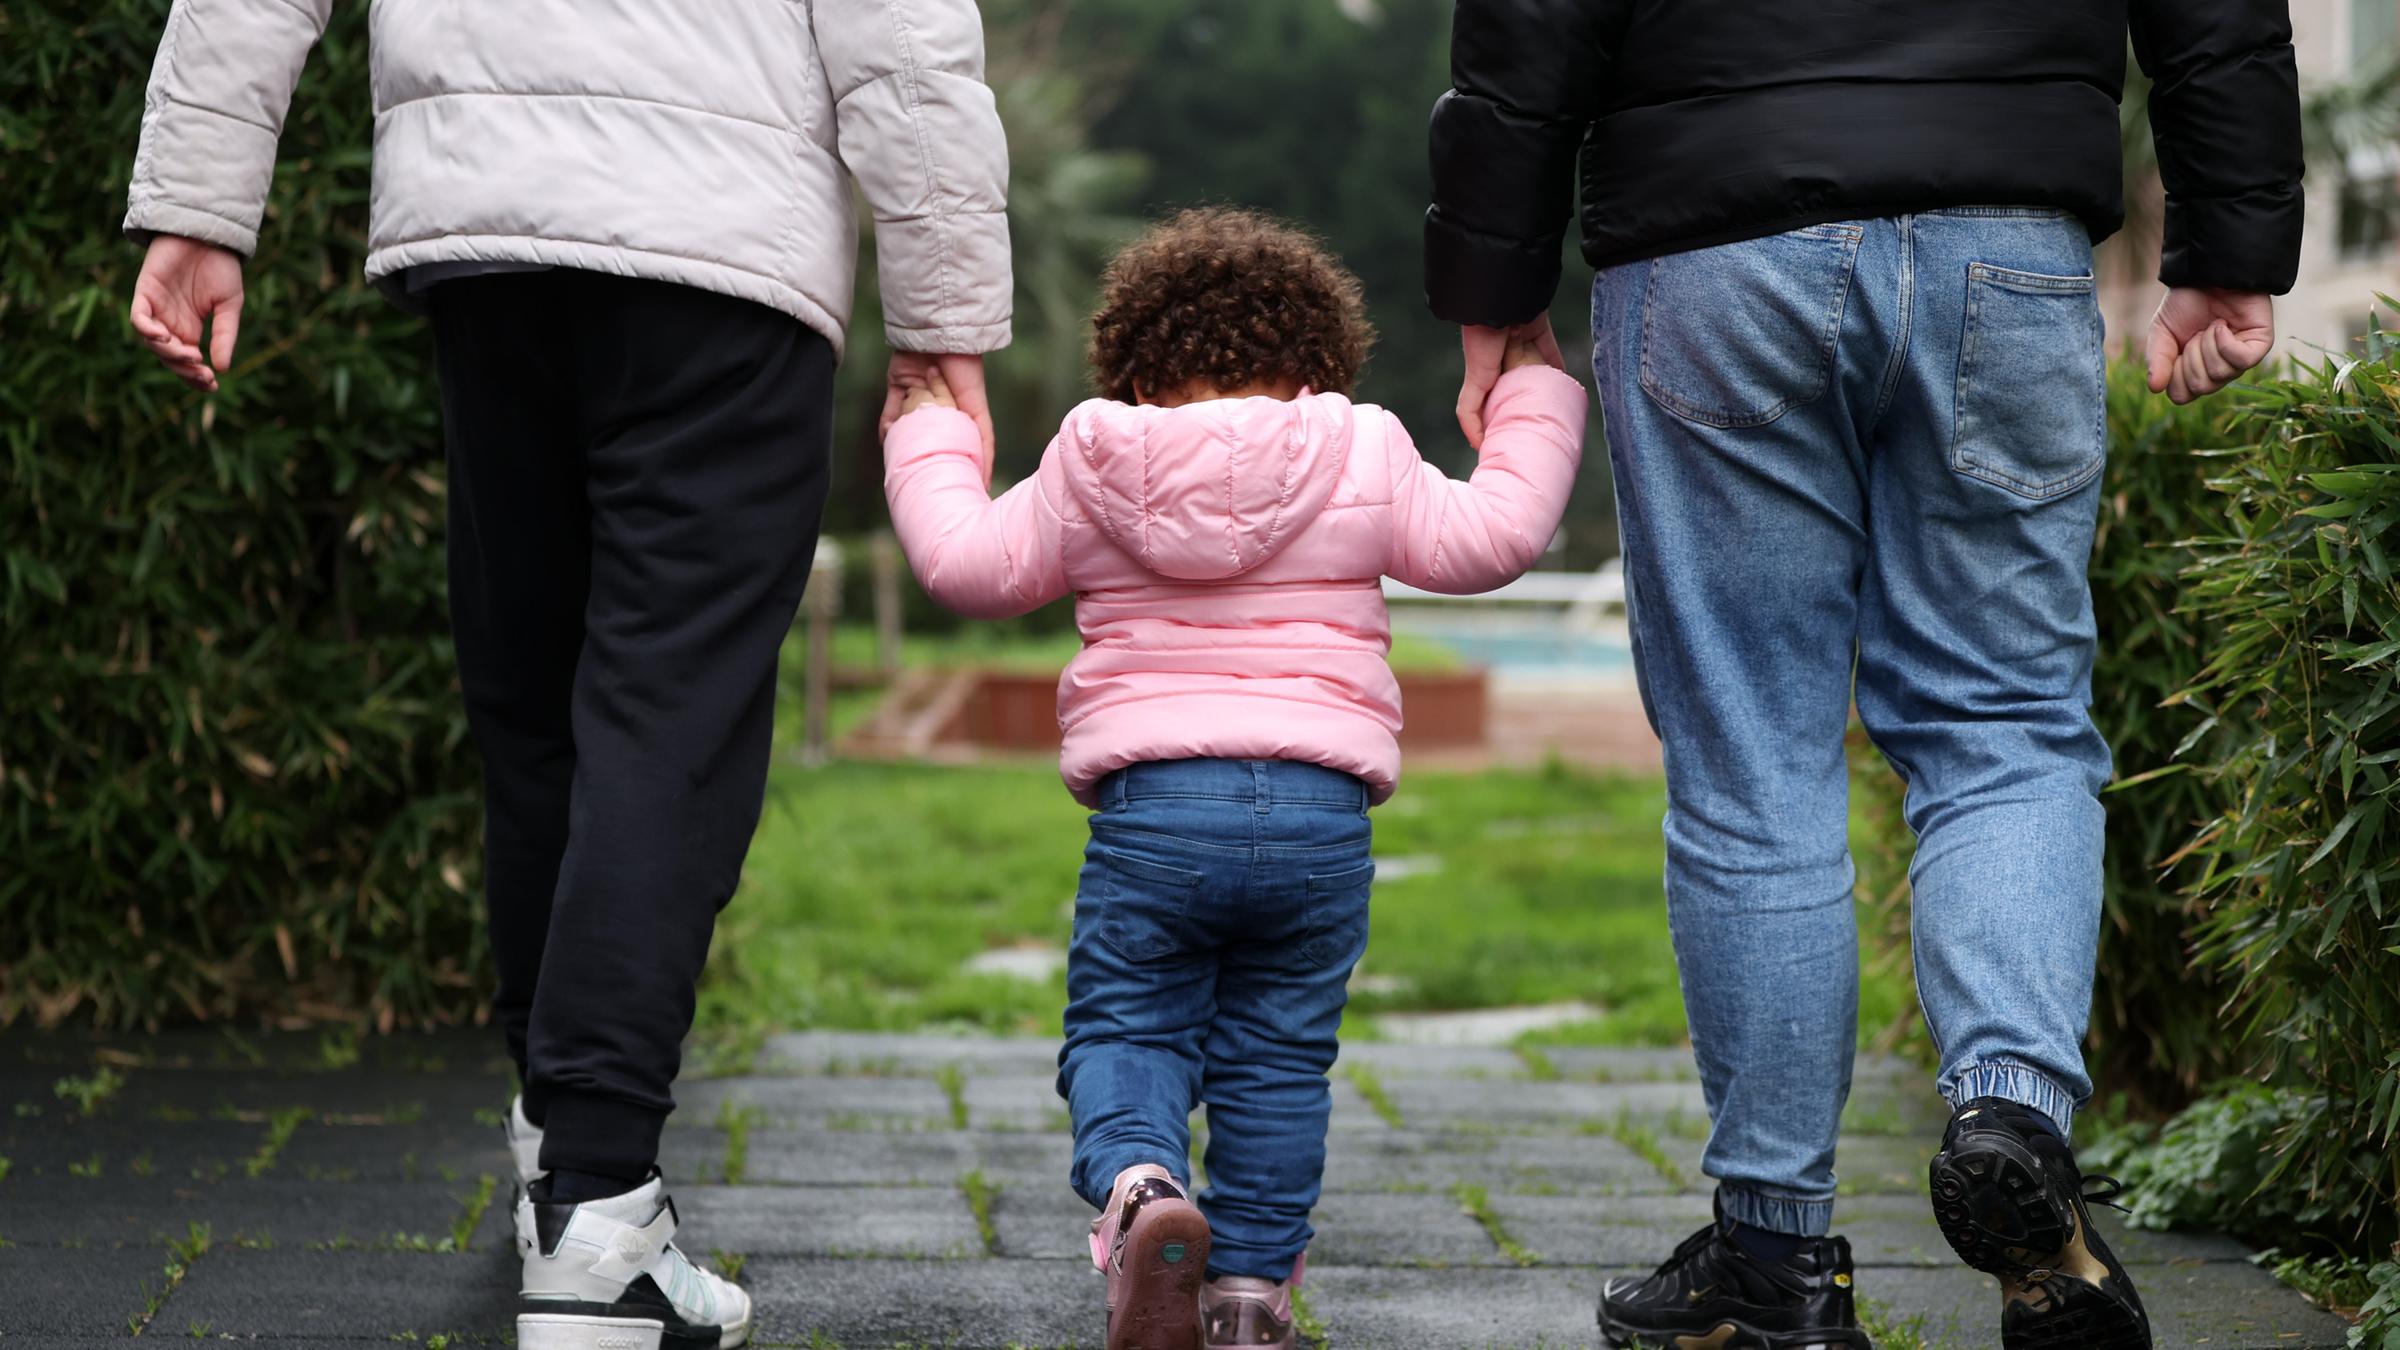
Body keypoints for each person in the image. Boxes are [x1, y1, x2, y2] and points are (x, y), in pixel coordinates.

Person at [123, 3, 1013, 1346]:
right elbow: (901, 23)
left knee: (534, 702)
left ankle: (558, 1146)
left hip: (486, 216)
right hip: (723, 239)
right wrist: (944, 312)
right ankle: (600, 1206)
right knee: (668, 716)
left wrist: (199, 204)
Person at [1425, 0, 2302, 1346]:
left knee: (1753, 752)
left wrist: (1492, 283)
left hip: (1715, 234)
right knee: (2003, 721)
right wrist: (2232, 236)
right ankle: (2011, 1112)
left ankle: (1773, 1259)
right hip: (2005, 229)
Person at [880, 208, 1586, 1350]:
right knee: (1278, 1059)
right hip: (1318, 814)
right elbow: (1496, 537)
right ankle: (1251, 1299)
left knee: (1127, 1026)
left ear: (1136, 364)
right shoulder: (1360, 447)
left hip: (1159, 809)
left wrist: (928, 432)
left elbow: (966, 564)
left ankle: (1142, 1190)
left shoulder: (1093, 455)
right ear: (1316, 357)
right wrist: (1534, 390)